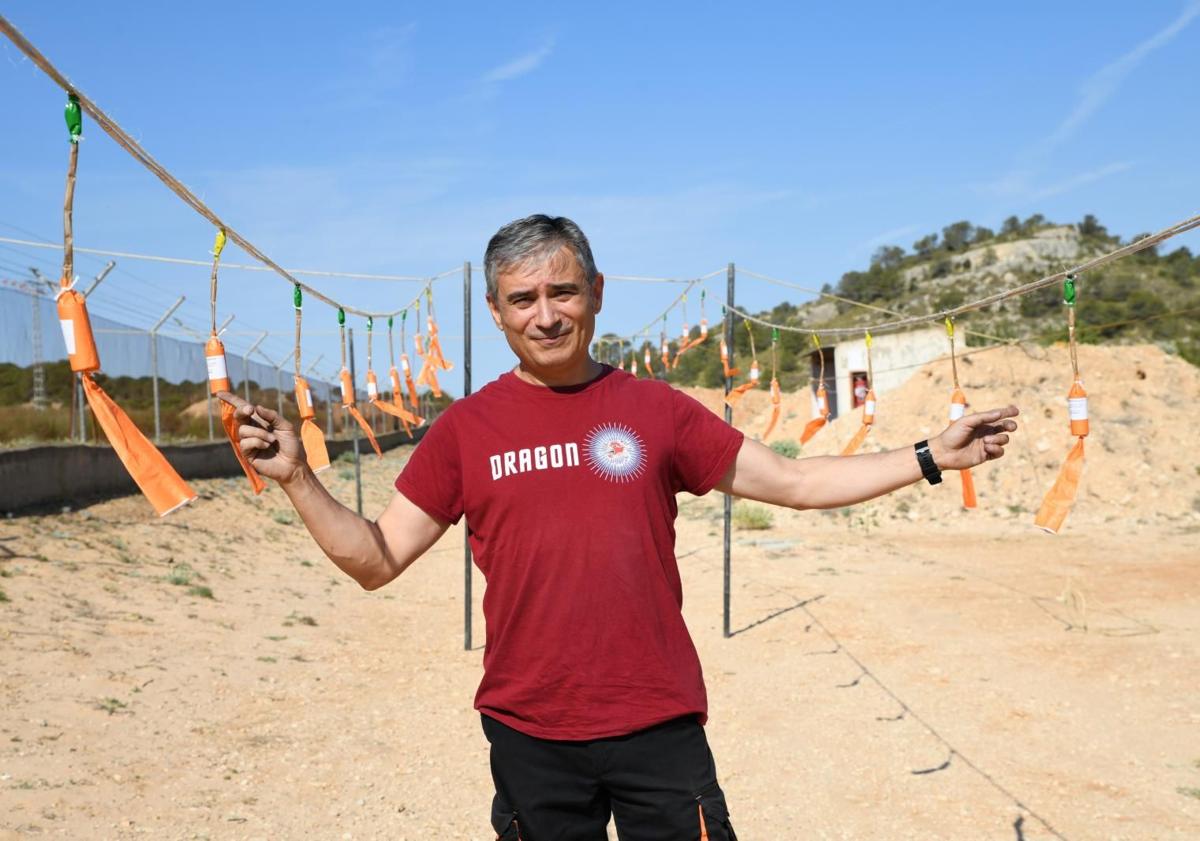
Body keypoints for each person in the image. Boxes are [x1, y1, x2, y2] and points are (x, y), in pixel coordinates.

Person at [220, 214, 1019, 840]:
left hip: (657, 718)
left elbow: (798, 482)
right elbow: (378, 556)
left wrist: (928, 455)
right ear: (496, 311)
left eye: (562, 292)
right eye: (523, 299)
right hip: (530, 724)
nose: (546, 315)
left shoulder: (657, 410)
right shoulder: (465, 429)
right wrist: (297, 476)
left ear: (597, 292)